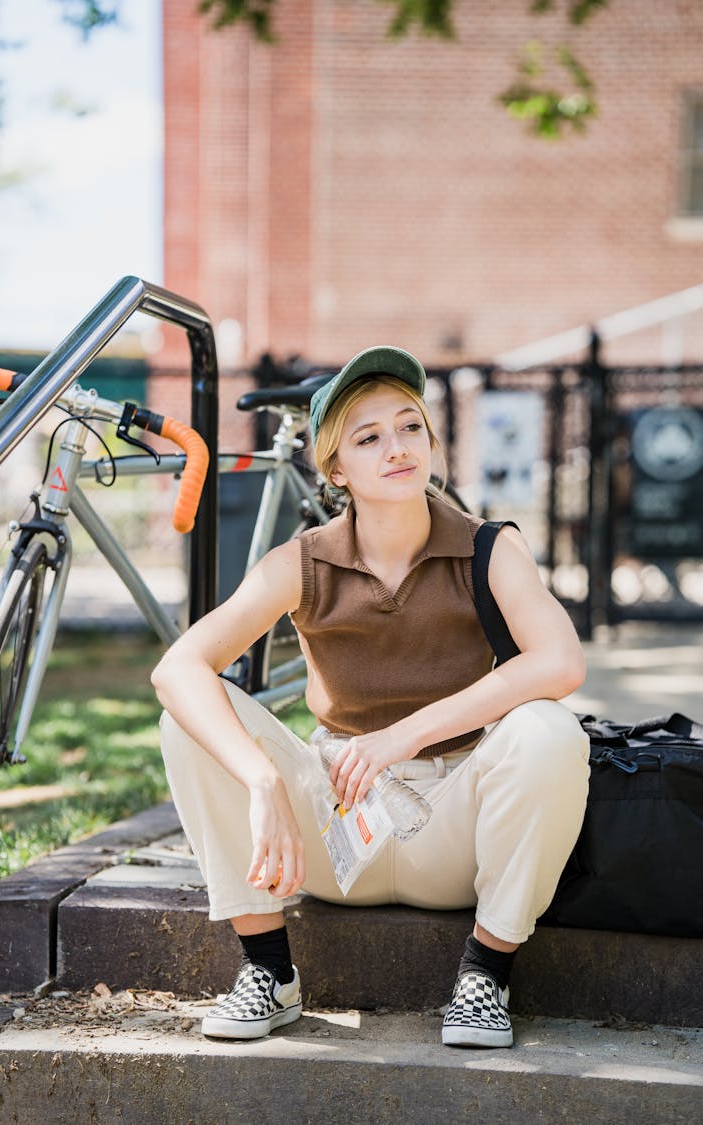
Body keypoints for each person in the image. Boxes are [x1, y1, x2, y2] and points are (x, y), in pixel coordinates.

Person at [152, 345, 590, 1049]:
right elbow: (177, 668)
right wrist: (263, 780)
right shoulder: (300, 562)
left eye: (410, 426)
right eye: (369, 436)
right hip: (334, 825)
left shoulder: (489, 548)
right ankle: (269, 972)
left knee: (549, 730)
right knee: (190, 721)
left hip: (455, 827)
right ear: (336, 470)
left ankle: (485, 974)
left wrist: (405, 734)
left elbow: (561, 661)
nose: (397, 447)